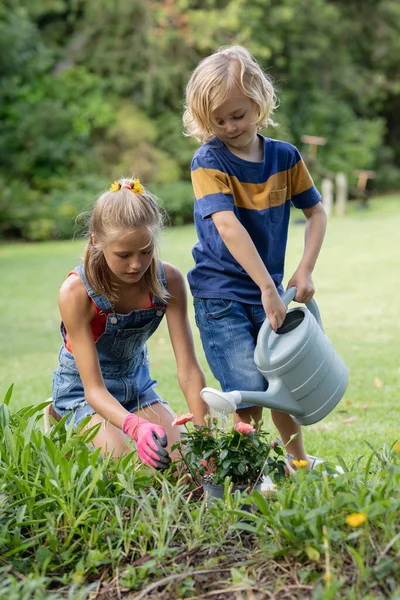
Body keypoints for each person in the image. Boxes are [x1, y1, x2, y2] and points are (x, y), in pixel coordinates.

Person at [183, 46, 327, 468]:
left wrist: (304, 269)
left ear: (259, 103)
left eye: (238, 115)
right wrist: (267, 286)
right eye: (218, 120)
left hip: (272, 292)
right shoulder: (208, 161)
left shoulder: (285, 158)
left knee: (282, 379)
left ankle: (297, 461)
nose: (229, 127)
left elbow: (315, 212)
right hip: (221, 295)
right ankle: (254, 469)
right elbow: (228, 227)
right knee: (248, 387)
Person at [48, 177, 207, 469]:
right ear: (96, 240)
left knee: (184, 463)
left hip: (137, 387)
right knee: (127, 467)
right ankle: (61, 419)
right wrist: (135, 427)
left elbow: (187, 368)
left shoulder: (169, 281)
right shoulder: (75, 294)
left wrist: (204, 434)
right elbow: (93, 389)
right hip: (83, 394)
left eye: (146, 252)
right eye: (123, 255)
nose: (136, 265)